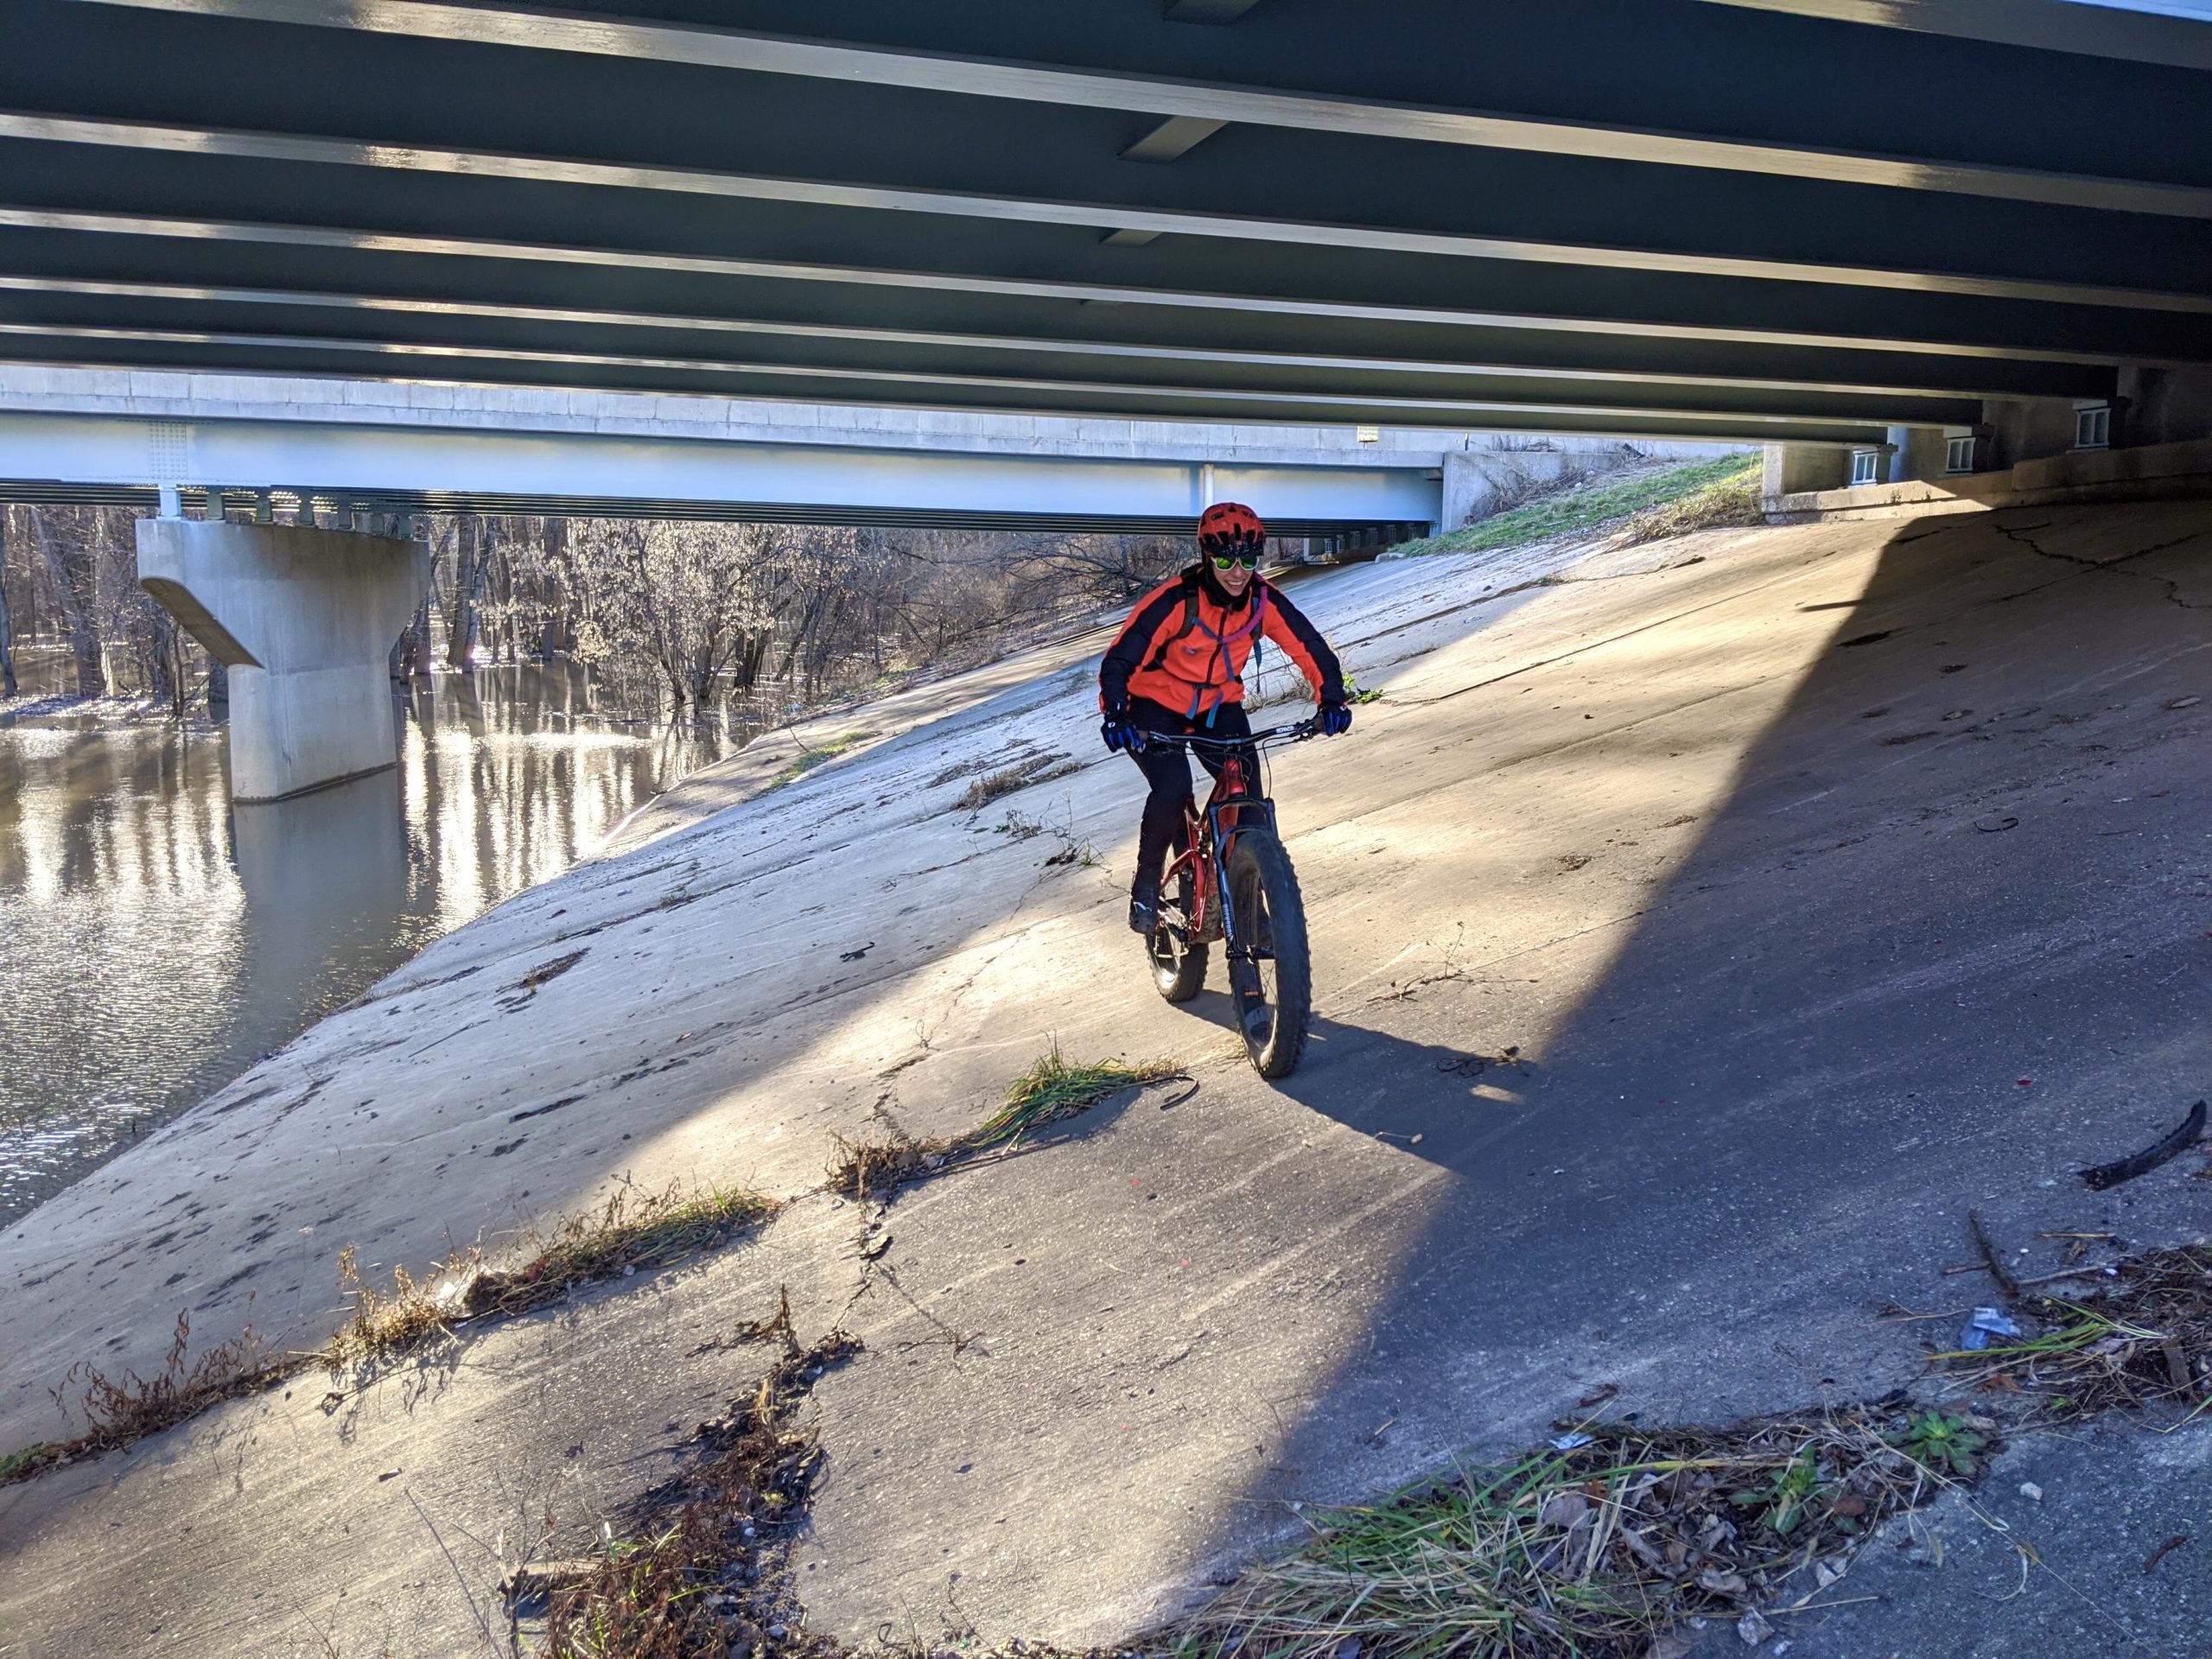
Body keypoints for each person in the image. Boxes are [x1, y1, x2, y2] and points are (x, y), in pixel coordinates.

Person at [1098, 502, 1351, 935]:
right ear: (1206, 557)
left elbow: (1308, 645)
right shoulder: (1177, 601)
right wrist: (1117, 713)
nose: (1238, 571)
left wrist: (1330, 700)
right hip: (1153, 706)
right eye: (1226, 559)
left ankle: (1253, 906)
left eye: (1249, 560)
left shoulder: (1261, 601)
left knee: (1250, 802)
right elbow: (1121, 658)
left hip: (1217, 707)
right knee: (1173, 787)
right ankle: (1145, 887)